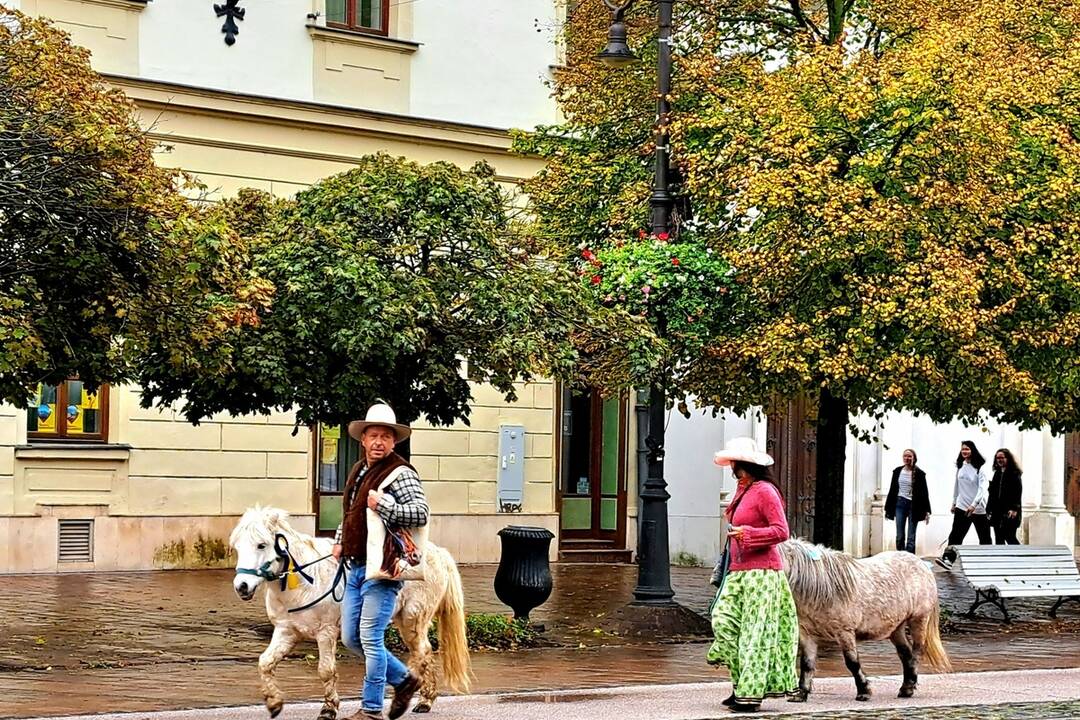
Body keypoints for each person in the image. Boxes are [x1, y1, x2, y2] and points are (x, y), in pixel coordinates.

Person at [332, 403, 429, 720]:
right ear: (363, 439)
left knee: (371, 639)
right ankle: (404, 680)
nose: (378, 442)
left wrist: (384, 504)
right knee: (351, 638)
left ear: (393, 441)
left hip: (384, 568)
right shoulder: (358, 469)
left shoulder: (401, 473)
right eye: (373, 435)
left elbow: (421, 513)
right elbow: (351, 512)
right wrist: (340, 541)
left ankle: (371, 709)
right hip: (355, 566)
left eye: (385, 437)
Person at [706, 437, 798, 713]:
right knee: (724, 621)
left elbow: (781, 531)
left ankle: (749, 693)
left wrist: (748, 534)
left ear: (741, 463)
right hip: (737, 570)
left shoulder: (765, 491)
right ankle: (742, 684)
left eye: (733, 462)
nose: (730, 466)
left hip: (762, 572)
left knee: (755, 633)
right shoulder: (742, 489)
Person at [937, 440, 991, 570]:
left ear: (973, 450)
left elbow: (982, 489)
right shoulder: (960, 466)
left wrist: (974, 504)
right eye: (963, 449)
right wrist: (954, 502)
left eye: (967, 449)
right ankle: (948, 559)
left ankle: (988, 560)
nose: (964, 451)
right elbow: (957, 486)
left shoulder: (980, 468)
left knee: (984, 537)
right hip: (962, 506)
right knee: (956, 534)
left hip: (977, 509)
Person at [884, 449, 932, 554]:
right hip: (900, 504)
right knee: (900, 535)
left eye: (909, 456)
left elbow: (924, 493)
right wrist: (888, 508)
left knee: (911, 536)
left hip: (913, 506)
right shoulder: (897, 471)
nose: (907, 458)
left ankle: (910, 558)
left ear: (914, 458)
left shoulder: (920, 474)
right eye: (905, 456)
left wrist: (927, 510)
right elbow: (892, 490)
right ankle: (900, 557)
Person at [988, 448, 1023, 545]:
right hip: (997, 510)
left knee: (1009, 536)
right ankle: (1000, 555)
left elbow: (1017, 492)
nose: (999, 460)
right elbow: (992, 492)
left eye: (1002, 458)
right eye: (997, 458)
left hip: (1009, 511)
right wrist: (989, 508)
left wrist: (1014, 508)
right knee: (998, 537)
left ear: (1008, 458)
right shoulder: (997, 473)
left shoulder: (1014, 473)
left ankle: (1020, 553)